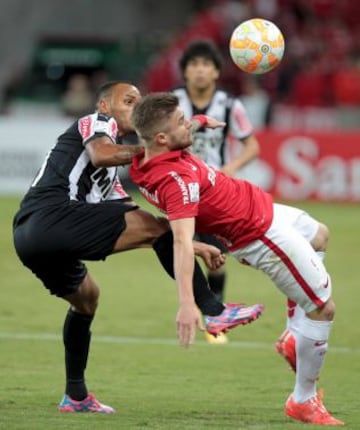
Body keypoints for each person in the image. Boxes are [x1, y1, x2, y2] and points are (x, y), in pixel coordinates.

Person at [12, 81, 264, 414]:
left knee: (87, 300)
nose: (136, 106)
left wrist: (193, 245)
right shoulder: (96, 123)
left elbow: (141, 221)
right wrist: (151, 148)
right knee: (157, 231)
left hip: (32, 238)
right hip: (52, 215)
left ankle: (75, 396)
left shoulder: (111, 182)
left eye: (139, 101)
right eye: (129, 101)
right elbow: (101, 155)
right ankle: (214, 310)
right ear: (104, 105)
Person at [129, 92, 344, 426]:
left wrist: (199, 122)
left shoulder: (150, 155)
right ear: (161, 137)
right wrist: (189, 303)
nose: (190, 124)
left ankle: (293, 335)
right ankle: (303, 399)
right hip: (259, 235)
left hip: (264, 210)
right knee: (322, 308)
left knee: (320, 236)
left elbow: (175, 133)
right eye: (182, 122)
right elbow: (183, 242)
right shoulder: (176, 181)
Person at [173, 40, 260, 343]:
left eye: (206, 65)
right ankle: (205, 312)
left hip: (213, 190)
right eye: (194, 65)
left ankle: (213, 313)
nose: (200, 70)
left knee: (216, 256)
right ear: (185, 72)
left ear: (215, 73)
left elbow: (252, 145)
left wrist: (232, 167)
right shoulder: (172, 102)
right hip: (179, 186)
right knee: (183, 245)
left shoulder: (230, 105)